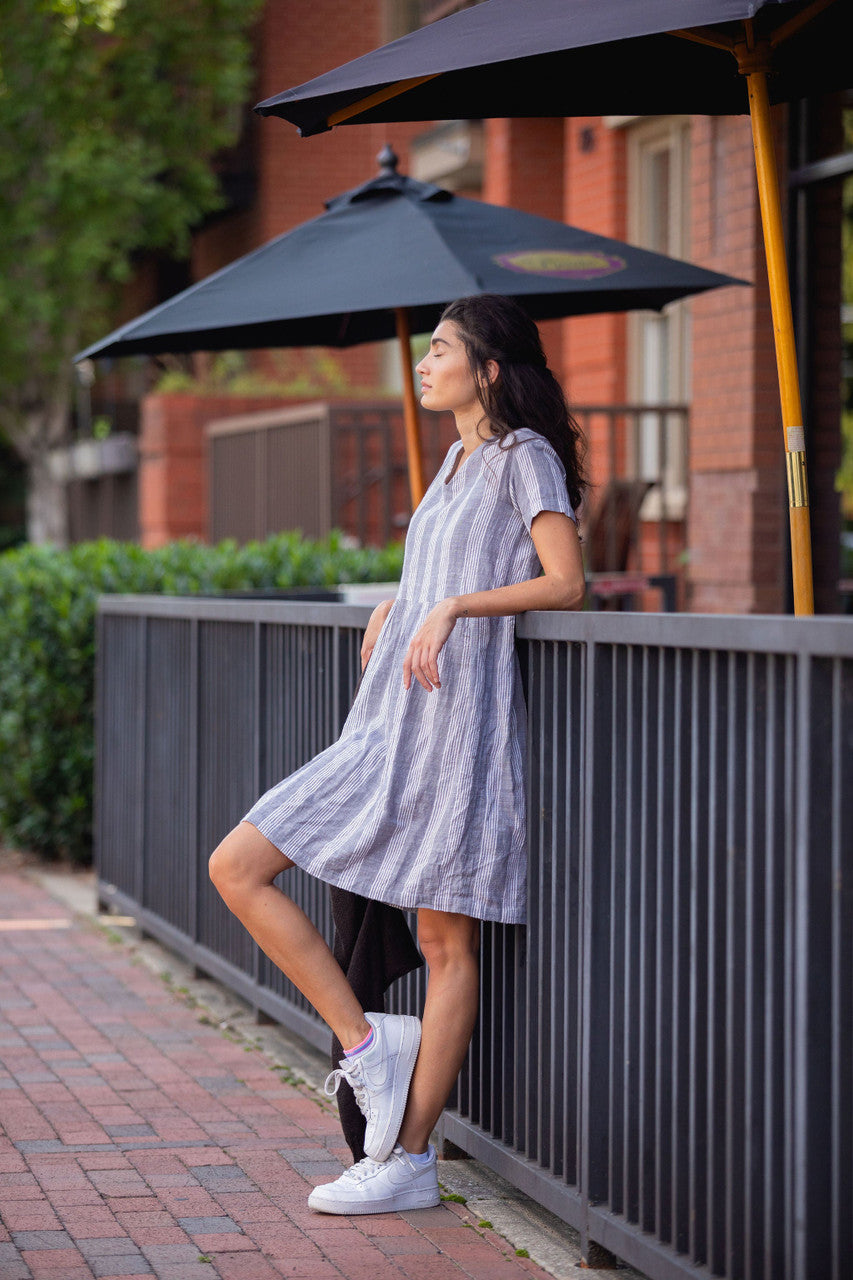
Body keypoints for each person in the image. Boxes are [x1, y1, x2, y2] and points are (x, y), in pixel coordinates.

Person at [209, 293, 587, 1215]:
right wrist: (403, 599)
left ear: (489, 369)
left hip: (461, 728)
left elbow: (564, 582)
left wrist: (455, 609)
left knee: (443, 938)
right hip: (390, 720)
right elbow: (440, 569)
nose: (424, 363)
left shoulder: (520, 457)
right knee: (238, 863)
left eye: (441, 350)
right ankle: (368, 1049)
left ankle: (408, 1161)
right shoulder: (455, 460)